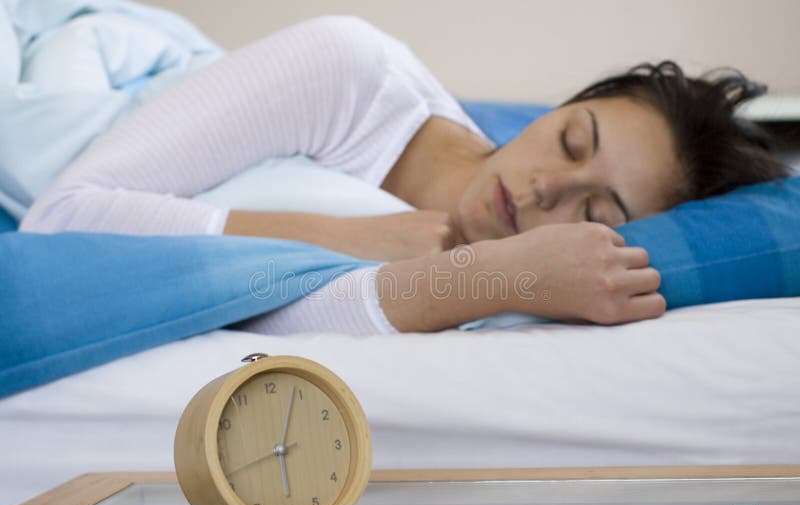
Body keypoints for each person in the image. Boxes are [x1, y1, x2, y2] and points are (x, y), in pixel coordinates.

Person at [20, 16, 788, 334]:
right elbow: (62, 220)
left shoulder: (512, 291)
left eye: (596, 212)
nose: (544, 189)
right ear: (560, 107)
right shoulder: (347, 70)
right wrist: (350, 238)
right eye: (570, 139)